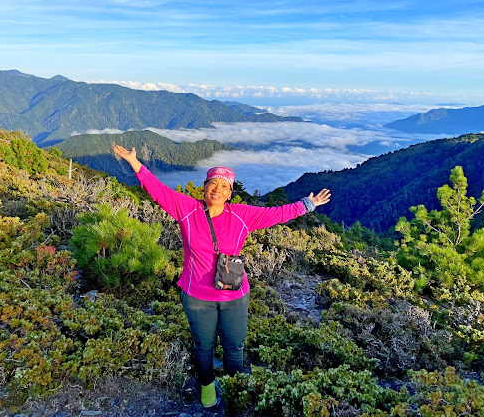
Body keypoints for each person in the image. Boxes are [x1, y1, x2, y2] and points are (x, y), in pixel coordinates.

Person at [113, 145, 331, 408]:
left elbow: (277, 214)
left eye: (223, 186)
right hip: (196, 296)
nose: (217, 189)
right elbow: (158, 191)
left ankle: (233, 386)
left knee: (234, 346)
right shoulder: (187, 210)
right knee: (203, 346)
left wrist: (308, 204)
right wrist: (135, 163)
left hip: (234, 296)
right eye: (212, 184)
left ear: (230, 193)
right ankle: (206, 384)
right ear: (204, 188)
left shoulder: (242, 215)